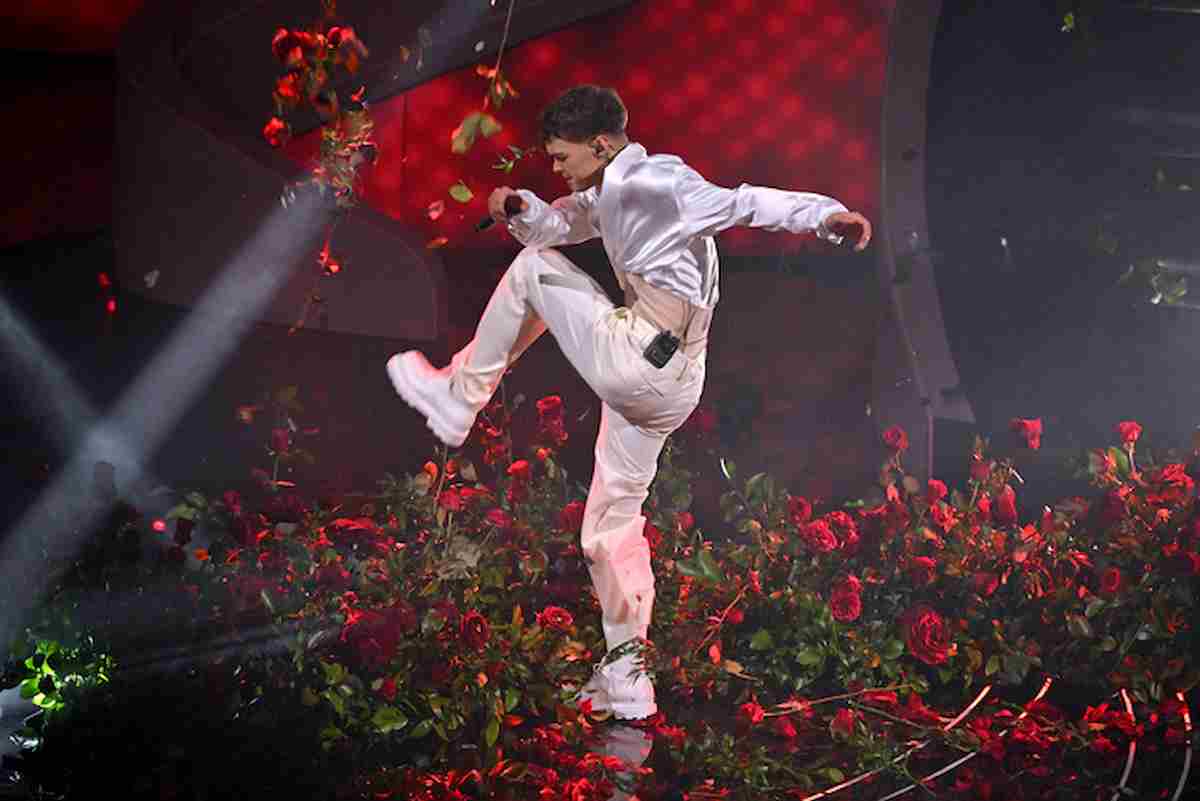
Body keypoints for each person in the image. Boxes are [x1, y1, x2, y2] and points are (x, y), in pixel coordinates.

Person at [387, 85, 871, 720]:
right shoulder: (610, 186)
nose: (556, 168)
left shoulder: (657, 180)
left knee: (535, 271)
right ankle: (628, 681)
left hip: (643, 359)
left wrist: (824, 217)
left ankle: (458, 396)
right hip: (670, 379)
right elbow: (565, 220)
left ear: (600, 144)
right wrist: (518, 207)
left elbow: (746, 202)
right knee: (608, 531)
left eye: (562, 158)